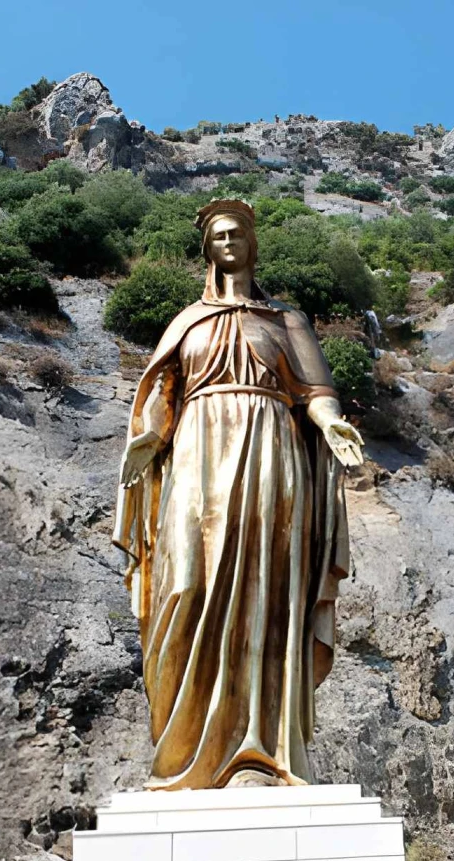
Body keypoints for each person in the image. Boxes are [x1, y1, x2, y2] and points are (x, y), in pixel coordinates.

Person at [113, 199, 364, 789]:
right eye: (218, 235)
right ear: (208, 248)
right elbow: (162, 393)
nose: (228, 242)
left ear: (252, 243)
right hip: (197, 456)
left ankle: (260, 753)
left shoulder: (285, 320)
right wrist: (148, 439)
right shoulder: (187, 320)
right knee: (184, 584)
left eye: (237, 233)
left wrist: (330, 423)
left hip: (271, 456)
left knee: (265, 594)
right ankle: (183, 753)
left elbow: (314, 390)